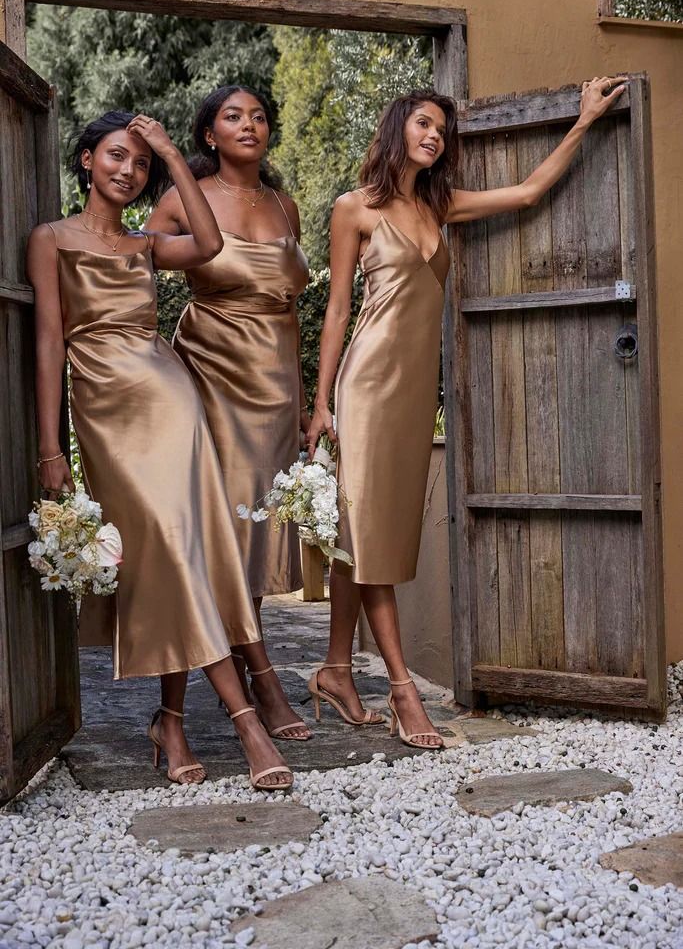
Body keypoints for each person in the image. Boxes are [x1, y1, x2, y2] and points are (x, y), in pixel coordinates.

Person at [306, 76, 627, 748]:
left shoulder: (441, 205)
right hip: (365, 387)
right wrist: (321, 403)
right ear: (397, 129)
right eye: (422, 124)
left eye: (441, 131)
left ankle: (335, 670)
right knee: (369, 537)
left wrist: (583, 121)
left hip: (415, 389)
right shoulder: (353, 209)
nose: (433, 136)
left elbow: (528, 193)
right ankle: (399, 689)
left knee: (362, 531)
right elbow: (336, 309)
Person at [27, 110, 293, 789]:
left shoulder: (146, 243)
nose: (128, 170)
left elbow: (206, 243)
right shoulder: (50, 239)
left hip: (175, 401)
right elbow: (50, 342)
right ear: (86, 160)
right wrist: (49, 448)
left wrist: (176, 156)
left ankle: (183, 723)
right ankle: (239, 722)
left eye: (139, 164)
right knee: (167, 553)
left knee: (183, 553)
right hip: (107, 410)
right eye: (117, 156)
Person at [146, 86, 312, 741]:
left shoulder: (283, 203)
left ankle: (246, 671)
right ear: (209, 134)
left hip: (272, 390)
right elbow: (121, 273)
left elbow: (290, 311)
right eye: (233, 116)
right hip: (208, 379)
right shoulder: (179, 196)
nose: (250, 125)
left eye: (260, 116)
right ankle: (262, 681)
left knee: (255, 537)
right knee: (217, 537)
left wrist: (302, 404)